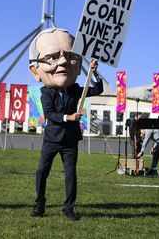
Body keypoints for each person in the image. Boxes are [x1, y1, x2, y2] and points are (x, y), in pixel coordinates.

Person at [28, 28, 103, 221]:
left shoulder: (75, 89)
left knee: (70, 174)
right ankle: (39, 204)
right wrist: (68, 118)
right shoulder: (47, 92)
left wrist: (94, 72)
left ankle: (69, 207)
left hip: (70, 139)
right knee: (42, 171)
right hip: (52, 138)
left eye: (69, 56)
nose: (62, 62)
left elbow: (97, 89)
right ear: (35, 70)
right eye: (52, 57)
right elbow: (50, 114)